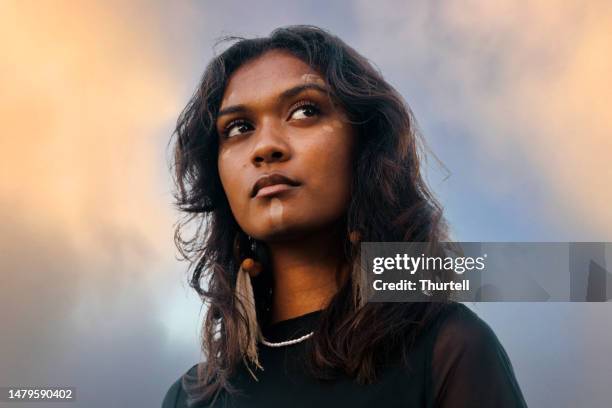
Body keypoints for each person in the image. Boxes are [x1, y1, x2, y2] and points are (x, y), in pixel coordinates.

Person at [162, 25, 527, 408]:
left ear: (364, 145)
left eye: (304, 111)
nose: (266, 146)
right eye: (239, 127)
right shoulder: (189, 397)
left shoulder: (447, 350)